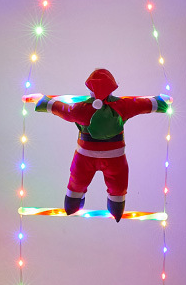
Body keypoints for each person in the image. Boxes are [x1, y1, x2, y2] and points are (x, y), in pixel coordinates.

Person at [24, 68, 170, 220]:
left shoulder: (82, 108)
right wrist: (161, 102)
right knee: (117, 186)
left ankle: (73, 204)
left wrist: (41, 100)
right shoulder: (121, 106)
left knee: (77, 182)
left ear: (90, 89)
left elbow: (63, 109)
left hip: (86, 158)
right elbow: (140, 105)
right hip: (114, 159)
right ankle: (115, 208)